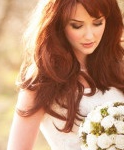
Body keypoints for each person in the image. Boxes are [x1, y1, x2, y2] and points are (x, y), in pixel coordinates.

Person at [7, 0, 124, 149]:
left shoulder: (117, 67)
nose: (89, 36)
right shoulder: (42, 79)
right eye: (77, 25)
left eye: (98, 23)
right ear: (58, 24)